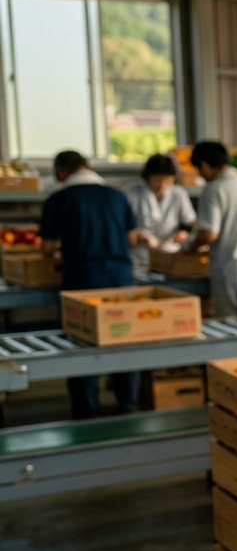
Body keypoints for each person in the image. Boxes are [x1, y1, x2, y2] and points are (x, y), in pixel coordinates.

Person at [39, 151, 141, 418]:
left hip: (82, 280)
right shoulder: (118, 196)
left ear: (61, 171)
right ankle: (127, 403)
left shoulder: (59, 199)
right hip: (120, 279)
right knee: (123, 338)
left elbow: (47, 247)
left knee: (81, 344)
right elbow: (132, 239)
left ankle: (86, 411)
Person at [189, 142, 237, 317]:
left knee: (230, 317)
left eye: (199, 170)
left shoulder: (213, 189)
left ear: (204, 164)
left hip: (228, 261)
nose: (200, 175)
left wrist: (190, 247)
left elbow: (209, 234)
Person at [122, 154, 196, 278]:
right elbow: (122, 225)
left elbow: (189, 222)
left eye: (167, 181)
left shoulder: (178, 193)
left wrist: (184, 233)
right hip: (139, 255)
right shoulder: (130, 193)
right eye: (157, 180)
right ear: (148, 177)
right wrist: (139, 236)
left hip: (169, 253)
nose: (162, 186)